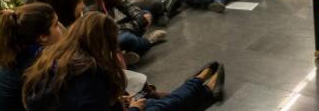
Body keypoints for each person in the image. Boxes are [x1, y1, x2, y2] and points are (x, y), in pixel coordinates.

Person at [23, 11, 224, 111]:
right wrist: (134, 108)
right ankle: (201, 86)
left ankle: (202, 86)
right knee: (165, 105)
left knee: (156, 102)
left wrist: (117, 103)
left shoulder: (54, 56)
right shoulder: (88, 71)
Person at [0, 3, 62, 111]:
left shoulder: (21, 49)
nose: (60, 30)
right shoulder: (38, 65)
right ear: (43, 36)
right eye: (56, 25)